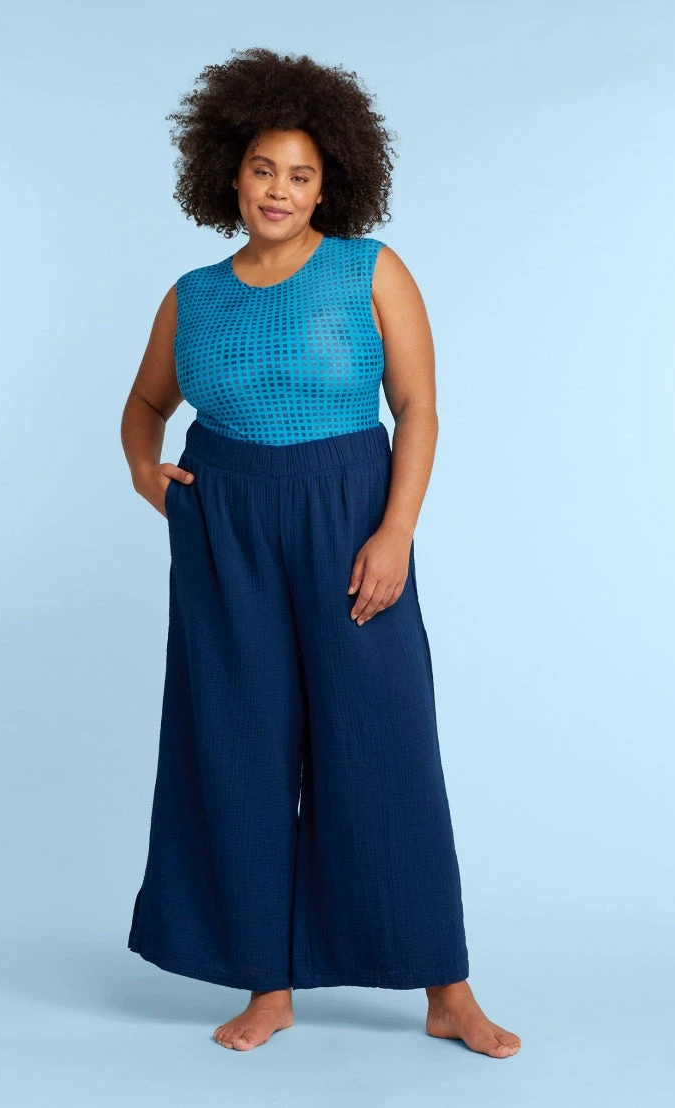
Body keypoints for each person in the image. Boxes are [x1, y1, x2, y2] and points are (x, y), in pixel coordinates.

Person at [120, 46, 521, 1058]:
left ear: (327, 184)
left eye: (300, 174)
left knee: (383, 741)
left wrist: (395, 531)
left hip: (346, 514)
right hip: (224, 525)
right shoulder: (192, 294)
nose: (279, 189)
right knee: (240, 744)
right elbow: (146, 404)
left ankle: (444, 988)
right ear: (229, 174)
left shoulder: (368, 270)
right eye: (263, 168)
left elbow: (418, 407)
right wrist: (143, 471)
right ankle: (269, 982)